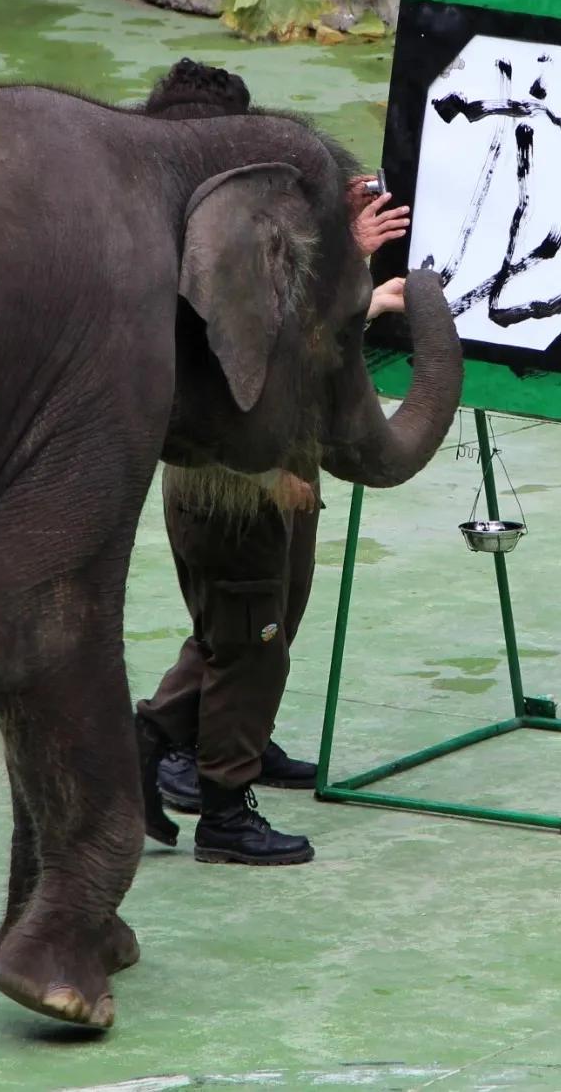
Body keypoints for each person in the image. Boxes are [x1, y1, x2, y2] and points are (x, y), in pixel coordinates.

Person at [134, 60, 410, 865]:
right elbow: (267, 337)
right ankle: (222, 801)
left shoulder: (187, 209)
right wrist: (350, 270)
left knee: (253, 628)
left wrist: (334, 248)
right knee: (247, 632)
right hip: (232, 475)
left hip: (258, 463)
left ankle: (187, 742)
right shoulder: (203, 237)